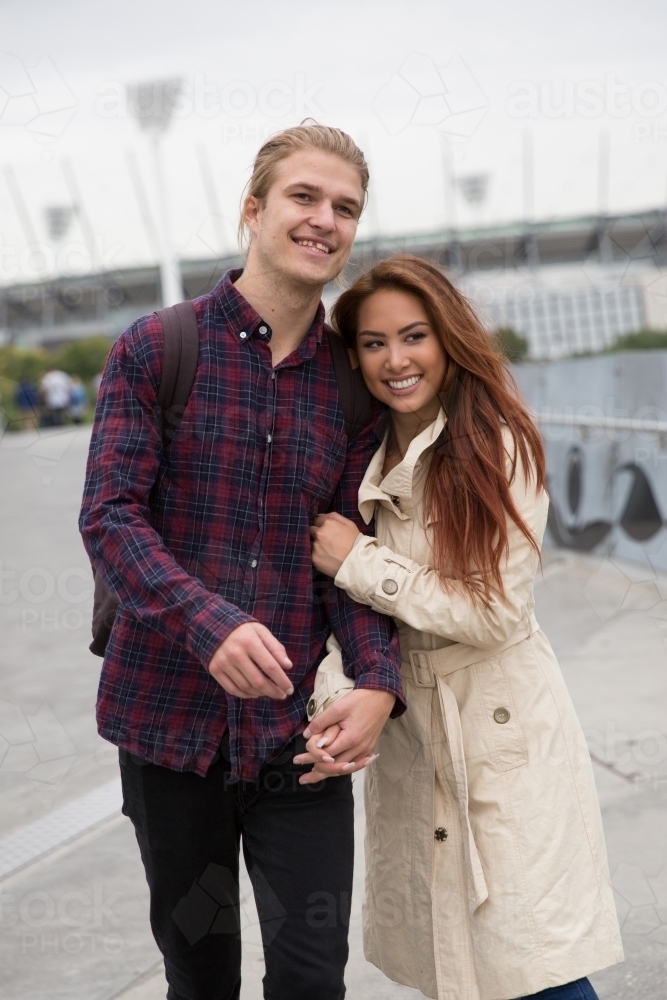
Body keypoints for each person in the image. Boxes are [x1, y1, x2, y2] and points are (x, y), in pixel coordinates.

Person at [79, 123, 404, 1000]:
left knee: (310, 981)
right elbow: (109, 518)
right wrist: (207, 621)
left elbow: (348, 556)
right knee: (200, 972)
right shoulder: (157, 347)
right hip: (167, 736)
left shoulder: (349, 386)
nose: (324, 220)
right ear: (252, 211)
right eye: (304, 197)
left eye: (345, 208)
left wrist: (376, 681)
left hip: (295, 742)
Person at [303, 255, 624, 1000]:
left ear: (447, 339)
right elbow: (332, 611)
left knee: (532, 962)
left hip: (500, 720)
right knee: (453, 970)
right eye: (373, 343)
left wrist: (363, 561)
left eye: (413, 336)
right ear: (351, 356)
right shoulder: (355, 451)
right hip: (411, 727)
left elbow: (493, 609)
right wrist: (332, 698)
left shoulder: (497, 445)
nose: (395, 360)